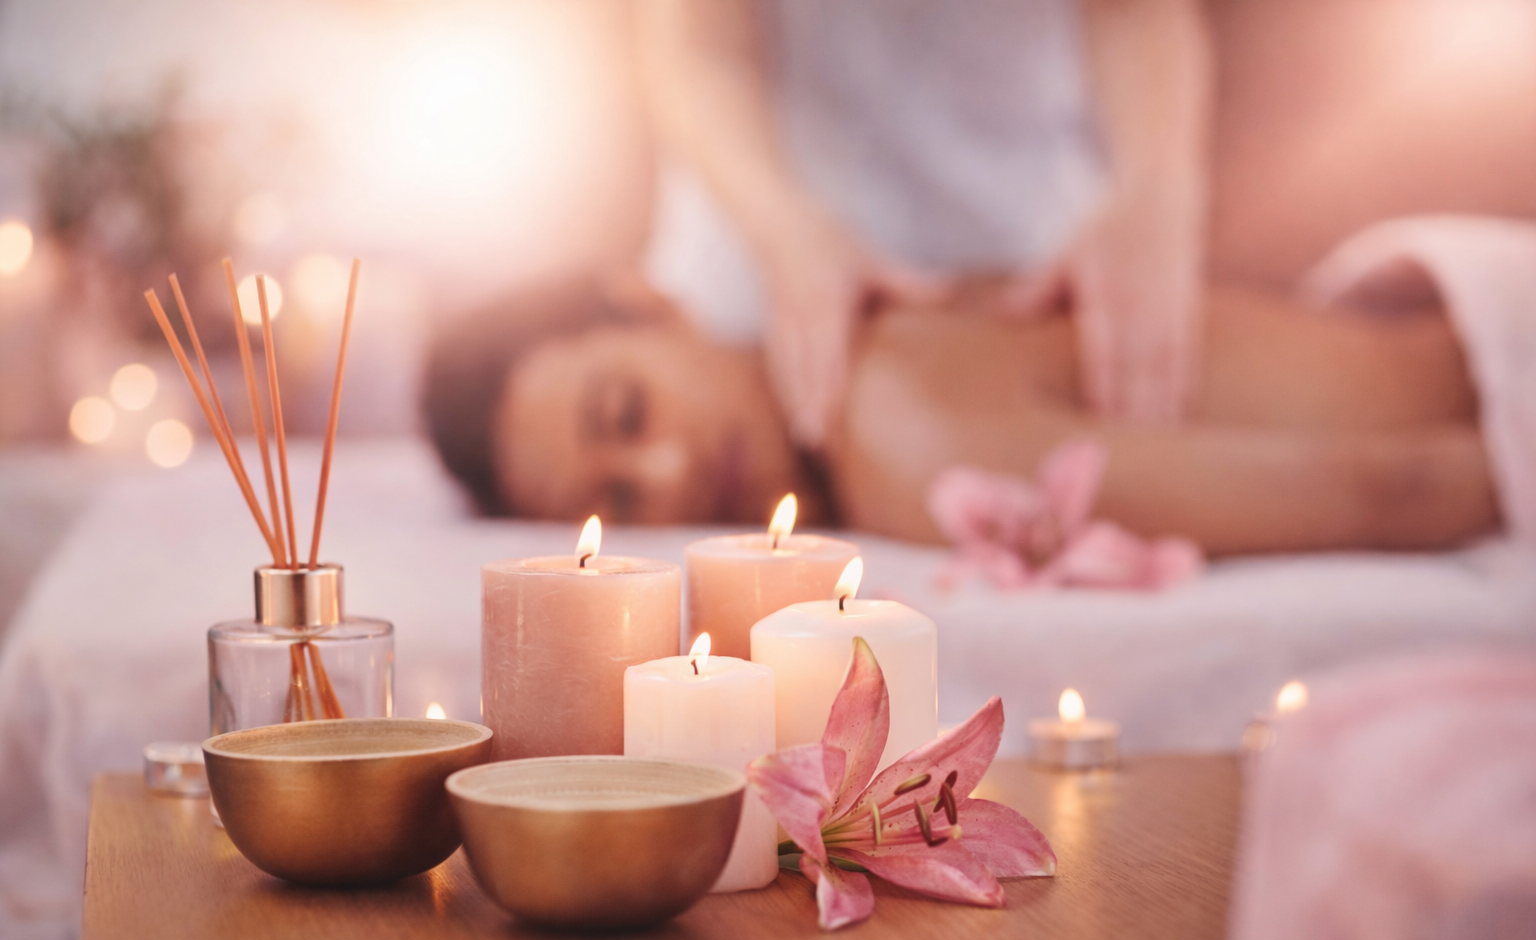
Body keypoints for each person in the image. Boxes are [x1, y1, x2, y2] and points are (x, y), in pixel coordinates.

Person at [422, 275, 1495, 556]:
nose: (664, 475)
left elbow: (1393, 491)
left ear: (654, 300)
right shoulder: (886, 366)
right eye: (615, 501)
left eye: (626, 409)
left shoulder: (896, 430)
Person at [636, 0, 1212, 446]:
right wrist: (785, 232)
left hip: (1035, 276)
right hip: (769, 268)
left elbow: (1133, 11)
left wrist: (1156, 187)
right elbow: (699, 48)